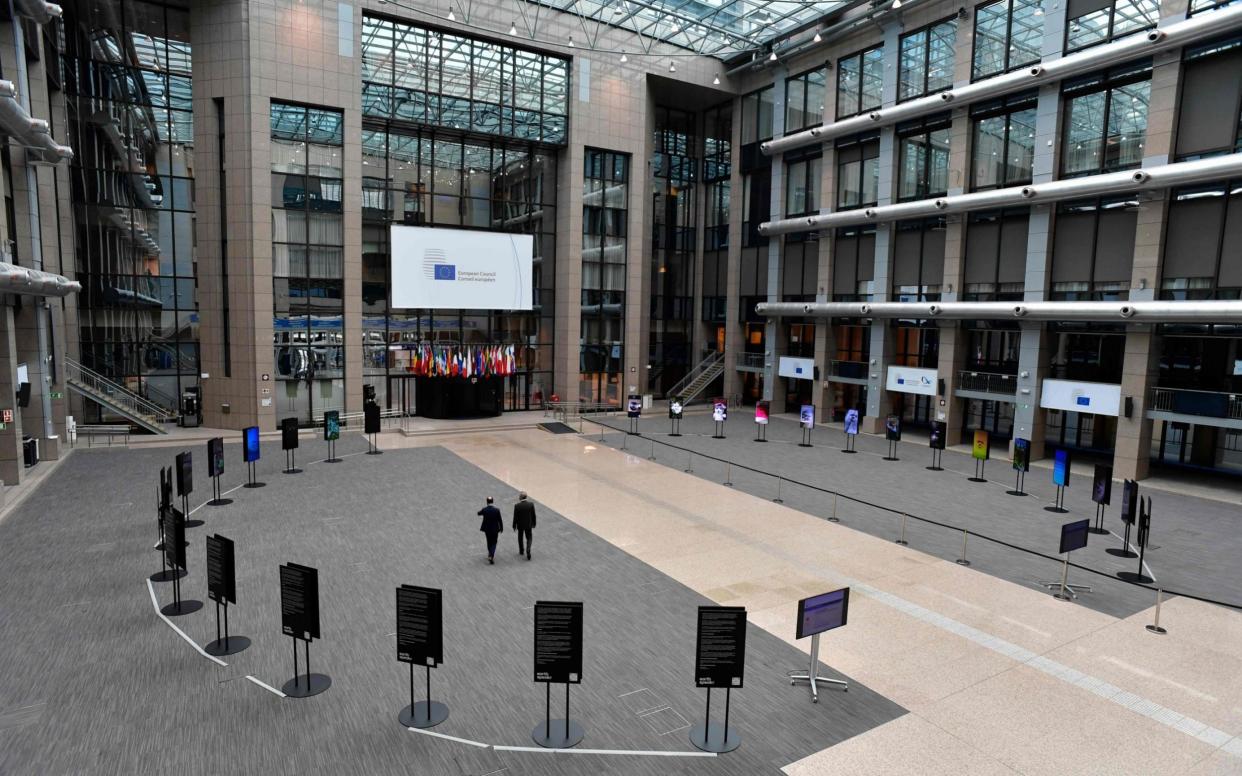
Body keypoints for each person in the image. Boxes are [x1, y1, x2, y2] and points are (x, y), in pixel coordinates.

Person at [478, 497, 503, 564]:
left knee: (488, 541)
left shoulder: (484, 510)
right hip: (495, 529)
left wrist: (481, 511)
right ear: (493, 501)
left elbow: (478, 513)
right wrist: (501, 528)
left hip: (487, 529)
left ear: (487, 502)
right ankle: (491, 555)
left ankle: (490, 554)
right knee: (494, 542)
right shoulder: (497, 510)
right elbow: (500, 520)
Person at [512, 491, 537, 561]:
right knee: (529, 537)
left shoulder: (517, 506)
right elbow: (533, 515)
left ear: (521, 497)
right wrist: (534, 523)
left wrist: (514, 525)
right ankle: (528, 549)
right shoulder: (531, 504)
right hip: (528, 524)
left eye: (519, 496)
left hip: (520, 525)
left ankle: (521, 550)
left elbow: (515, 517)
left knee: (520, 537)